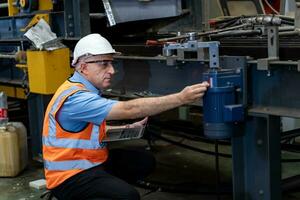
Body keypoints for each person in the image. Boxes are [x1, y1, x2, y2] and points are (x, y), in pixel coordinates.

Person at [42, 33, 209, 200]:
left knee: (143, 162)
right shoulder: (76, 98)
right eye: (104, 64)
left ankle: (105, 189)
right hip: (68, 177)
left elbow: (84, 132)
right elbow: (129, 109)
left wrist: (125, 128)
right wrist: (181, 98)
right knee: (128, 196)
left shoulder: (79, 88)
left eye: (111, 63)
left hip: (89, 163)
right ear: (84, 67)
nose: (112, 70)